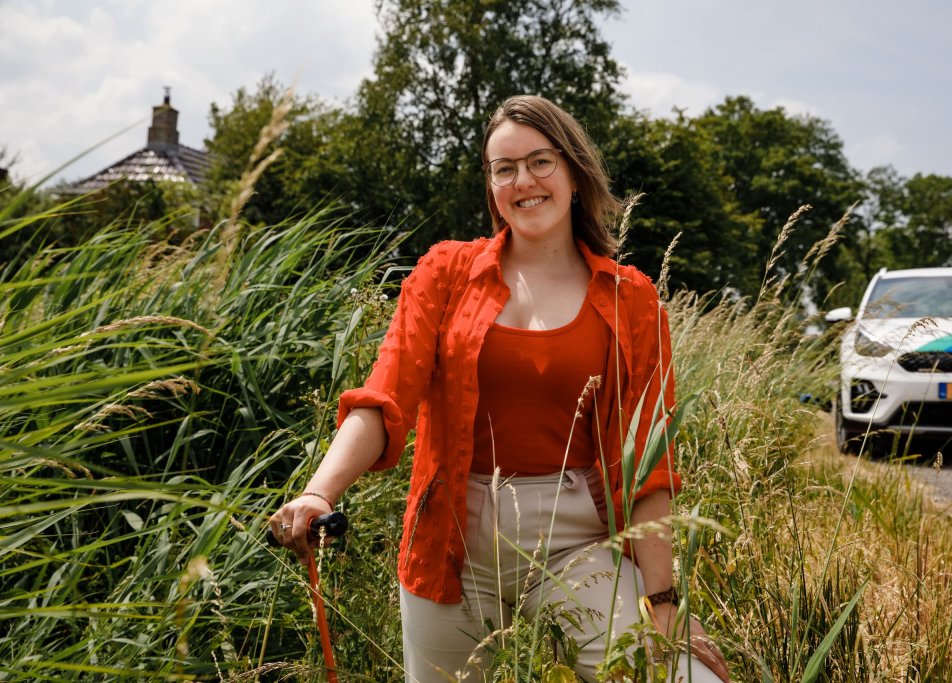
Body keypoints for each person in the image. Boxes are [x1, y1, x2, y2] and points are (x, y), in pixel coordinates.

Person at [270, 95, 730, 683]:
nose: (524, 181)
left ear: (573, 172)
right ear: (490, 185)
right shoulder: (445, 273)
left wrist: (663, 606)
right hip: (452, 540)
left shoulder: (631, 297)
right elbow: (384, 400)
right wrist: (318, 493)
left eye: (540, 162)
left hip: (578, 541)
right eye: (504, 168)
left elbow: (649, 464)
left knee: (685, 678)